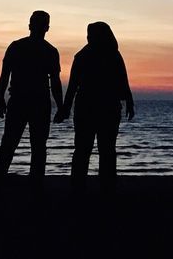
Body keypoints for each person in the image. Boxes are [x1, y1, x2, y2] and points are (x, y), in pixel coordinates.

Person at [54, 21, 135, 193]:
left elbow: (122, 79)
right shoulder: (101, 55)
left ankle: (94, 187)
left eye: (91, 34)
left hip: (96, 108)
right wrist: (66, 107)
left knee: (95, 150)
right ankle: (90, 187)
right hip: (96, 108)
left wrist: (129, 100)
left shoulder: (103, 55)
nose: (88, 37)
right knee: (94, 150)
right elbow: (73, 85)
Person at [0, 10, 64, 188]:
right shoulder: (49, 51)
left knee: (12, 144)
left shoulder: (17, 47)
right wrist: (61, 106)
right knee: (35, 146)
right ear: (47, 28)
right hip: (34, 102)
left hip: (23, 101)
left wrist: (0, 99)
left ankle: (0, 183)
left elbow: (4, 76)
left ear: (30, 26)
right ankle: (33, 186)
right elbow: (55, 82)